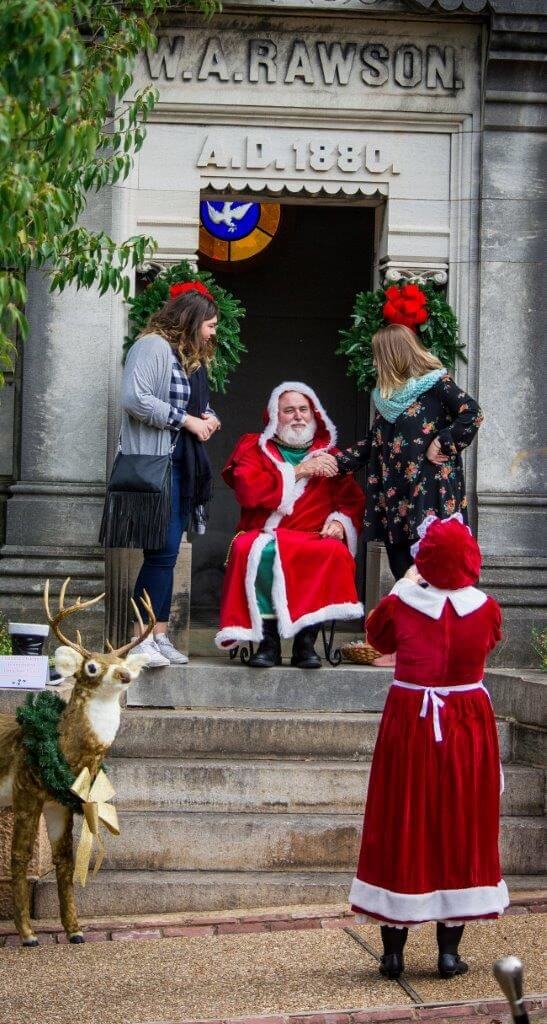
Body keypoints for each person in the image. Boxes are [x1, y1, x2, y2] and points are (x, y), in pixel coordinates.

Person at [349, 515, 508, 980]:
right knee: (460, 823)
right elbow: (490, 643)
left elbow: (375, 636)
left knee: (401, 819)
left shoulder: (401, 604)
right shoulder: (486, 608)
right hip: (466, 723)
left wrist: (404, 584)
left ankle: (393, 954)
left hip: (410, 720)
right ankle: (448, 955)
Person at [316, 325, 484, 582]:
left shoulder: (438, 385)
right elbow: (373, 443)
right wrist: (336, 462)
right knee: (402, 570)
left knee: (432, 572)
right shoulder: (386, 399)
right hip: (396, 496)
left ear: (392, 356)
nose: (373, 362)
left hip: (430, 494)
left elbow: (472, 413)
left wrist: (442, 441)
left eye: (376, 355)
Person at [216, 383, 364, 668]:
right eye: (289, 410)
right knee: (257, 550)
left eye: (303, 410)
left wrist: (339, 523)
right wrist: (298, 471)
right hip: (264, 533)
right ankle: (267, 643)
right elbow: (248, 491)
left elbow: (351, 501)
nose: (297, 416)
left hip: (313, 536)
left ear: (315, 414)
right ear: (275, 415)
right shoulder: (254, 447)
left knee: (331, 552)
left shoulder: (331, 454)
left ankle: (305, 643)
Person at [121, 281, 221, 667]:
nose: (214, 333)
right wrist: (187, 421)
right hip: (156, 465)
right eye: (210, 325)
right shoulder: (152, 347)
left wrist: (209, 418)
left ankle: (158, 635)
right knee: (160, 554)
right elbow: (134, 398)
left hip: (182, 466)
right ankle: (140, 638)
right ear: (192, 320)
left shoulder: (188, 358)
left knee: (167, 553)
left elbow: (201, 406)